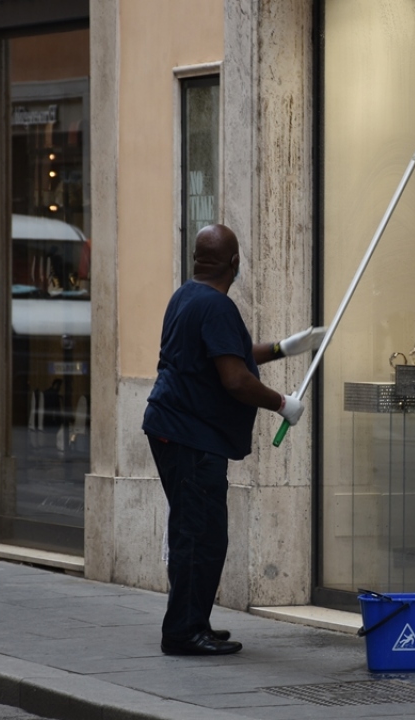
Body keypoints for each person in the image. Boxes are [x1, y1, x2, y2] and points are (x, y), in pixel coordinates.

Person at [142, 224, 324, 656]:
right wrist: (282, 403)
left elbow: (227, 353)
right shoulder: (217, 306)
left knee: (198, 532)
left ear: (197, 260)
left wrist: (282, 348)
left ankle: (194, 622)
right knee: (200, 535)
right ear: (235, 262)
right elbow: (236, 378)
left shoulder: (186, 296)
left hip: (173, 429)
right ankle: (183, 633)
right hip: (191, 436)